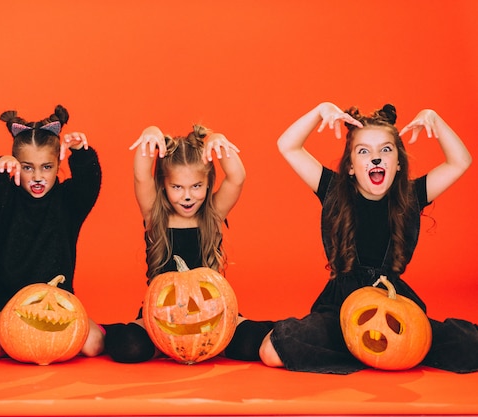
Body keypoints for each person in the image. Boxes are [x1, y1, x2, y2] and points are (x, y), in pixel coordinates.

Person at [261, 101, 478, 373]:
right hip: (342, 306)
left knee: (468, 344)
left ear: (398, 163)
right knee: (273, 350)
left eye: (385, 150)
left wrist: (435, 118)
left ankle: (378, 351)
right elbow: (288, 146)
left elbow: (461, 161)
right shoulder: (332, 189)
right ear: (350, 167)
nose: (375, 158)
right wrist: (320, 110)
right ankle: (362, 350)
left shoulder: (410, 196)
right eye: (364, 152)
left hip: (394, 300)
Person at [104, 125, 274, 363]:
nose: (187, 196)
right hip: (162, 315)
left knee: (250, 344)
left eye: (196, 186)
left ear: (208, 183)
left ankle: (211, 344)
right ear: (163, 185)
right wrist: (151, 133)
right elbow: (141, 174)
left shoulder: (212, 215)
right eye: (177, 187)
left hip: (211, 314)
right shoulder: (155, 215)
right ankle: (138, 339)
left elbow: (237, 176)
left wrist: (214, 137)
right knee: (128, 347)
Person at [0, 105, 104, 360]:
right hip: (4, 301)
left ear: (57, 165)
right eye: (27, 167)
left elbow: (89, 182)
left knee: (93, 345)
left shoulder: (68, 202)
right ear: (16, 167)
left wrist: (80, 153)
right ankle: (28, 342)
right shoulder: (6, 203)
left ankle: (40, 341)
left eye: (46, 167)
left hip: (57, 302)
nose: (37, 177)